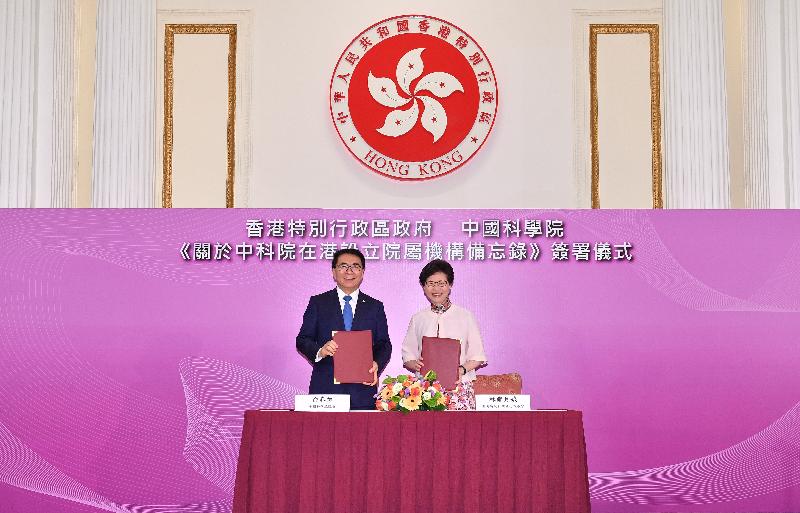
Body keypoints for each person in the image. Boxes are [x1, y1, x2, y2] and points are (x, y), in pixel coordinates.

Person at [296, 248, 392, 410]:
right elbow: (303, 339)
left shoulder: (375, 307)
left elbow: (384, 344)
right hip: (326, 389)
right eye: (343, 266)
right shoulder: (318, 303)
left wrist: (376, 363)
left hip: (362, 390)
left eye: (355, 266)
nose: (349, 271)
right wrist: (320, 350)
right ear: (334, 272)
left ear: (362, 272)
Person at [402, 259, 487, 405]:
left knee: (461, 428)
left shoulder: (465, 316)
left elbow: (478, 356)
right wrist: (414, 363)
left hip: (459, 389)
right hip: (425, 391)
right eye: (431, 284)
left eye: (441, 284)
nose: (436, 289)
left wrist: (460, 370)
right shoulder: (418, 318)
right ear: (423, 287)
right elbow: (407, 354)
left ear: (450, 285)